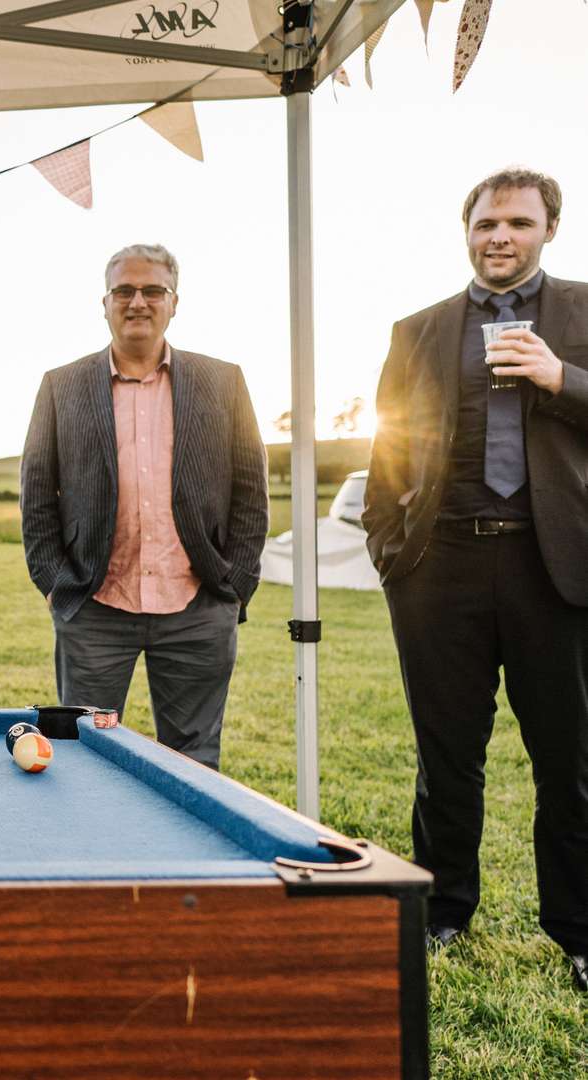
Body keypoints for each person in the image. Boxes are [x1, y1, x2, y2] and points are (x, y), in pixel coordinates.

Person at [363, 168, 588, 991]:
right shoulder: (417, 328)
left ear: (548, 230)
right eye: (487, 222)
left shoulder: (583, 311)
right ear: (466, 230)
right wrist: (392, 552)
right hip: (439, 565)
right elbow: (387, 443)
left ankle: (578, 930)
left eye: (518, 224)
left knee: (568, 761)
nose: (500, 236)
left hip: (553, 566)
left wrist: (561, 379)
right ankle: (444, 914)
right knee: (445, 756)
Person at [19, 244, 267, 769]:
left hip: (198, 607)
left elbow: (250, 492)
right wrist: (58, 587)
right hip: (95, 608)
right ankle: (96, 854)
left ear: (174, 302)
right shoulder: (61, 386)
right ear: (104, 302)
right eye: (124, 291)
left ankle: (185, 856)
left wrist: (233, 585)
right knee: (86, 758)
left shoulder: (224, 382)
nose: (138, 301)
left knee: (195, 763)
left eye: (152, 290)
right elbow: (38, 498)